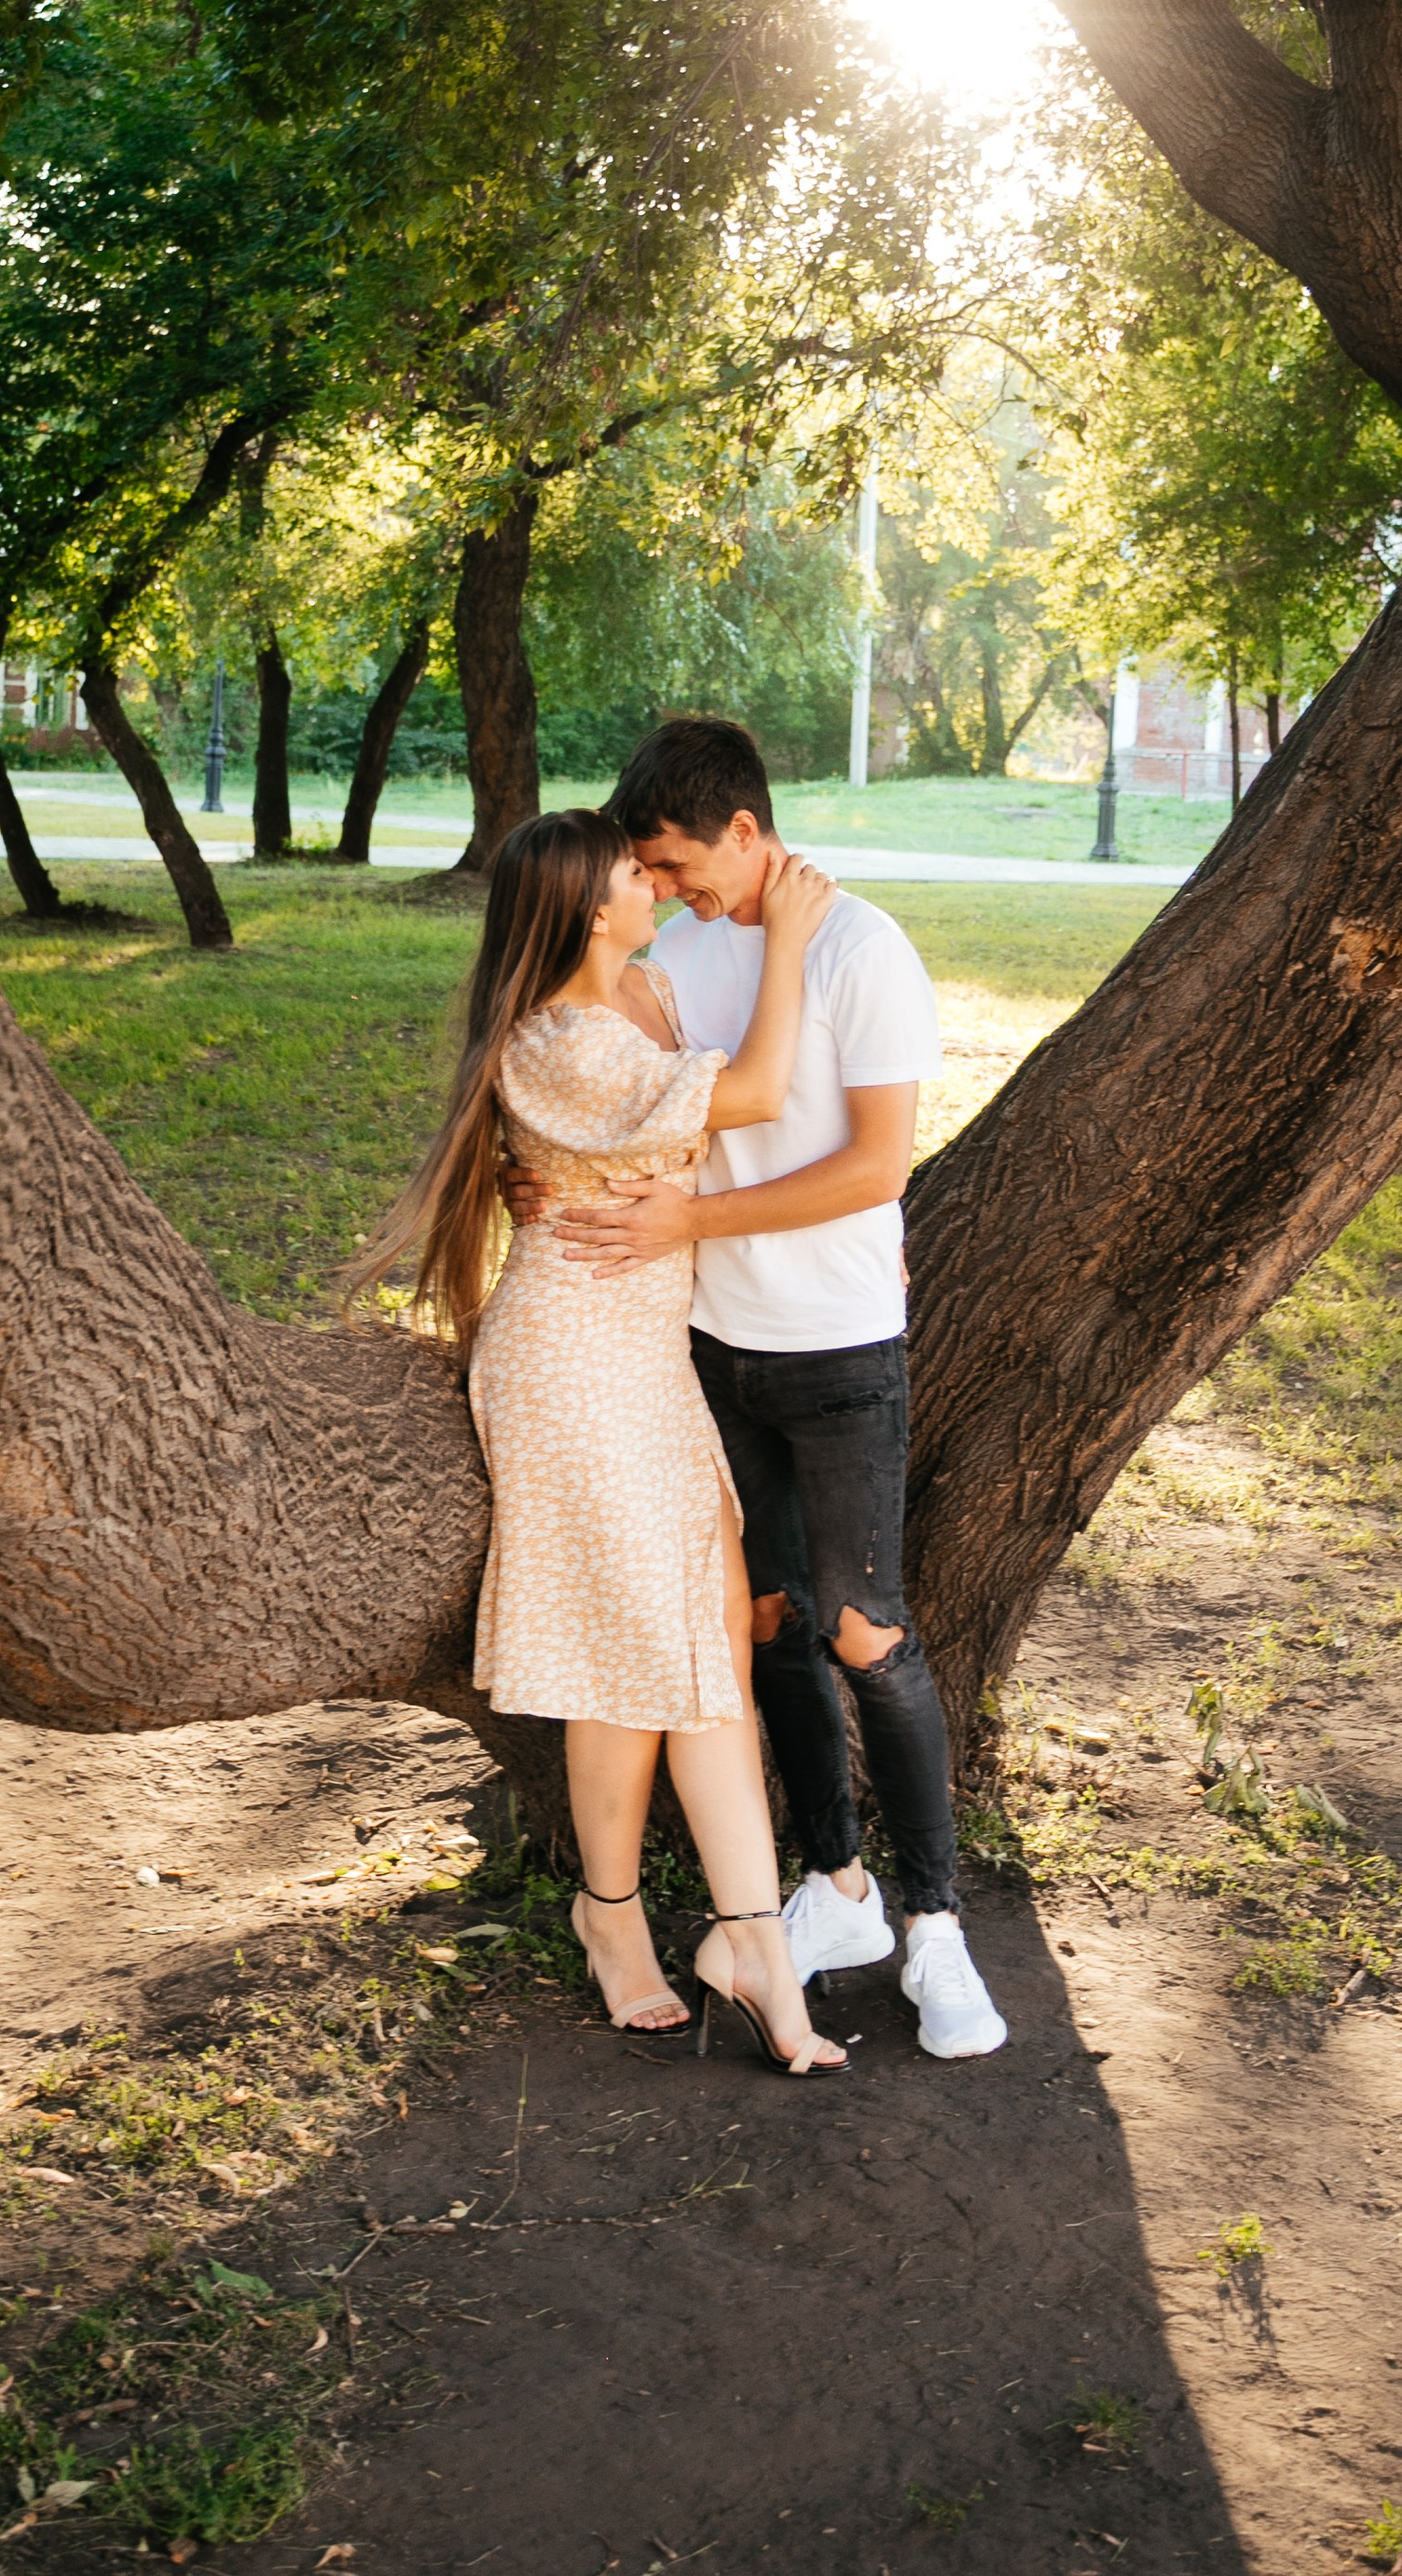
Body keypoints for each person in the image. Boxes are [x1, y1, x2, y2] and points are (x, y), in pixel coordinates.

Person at [351, 806, 846, 2076]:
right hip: (572, 1366)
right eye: (637, 873)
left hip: (642, 1361)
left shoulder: (644, 998)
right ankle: (657, 1927)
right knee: (661, 1653)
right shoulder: (562, 1039)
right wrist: (791, 937)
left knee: (686, 1647)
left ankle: (710, 1935)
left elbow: (697, 1067)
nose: (655, 883)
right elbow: (755, 1090)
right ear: (587, 909)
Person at [542, 717, 1009, 2062]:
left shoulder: (863, 950)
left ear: (745, 829)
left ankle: (934, 1929)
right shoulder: (677, 953)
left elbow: (873, 1170)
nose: (672, 888)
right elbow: (635, 1105)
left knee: (867, 1629)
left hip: (840, 1345)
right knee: (768, 1624)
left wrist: (687, 1229)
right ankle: (836, 1890)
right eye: (655, 872)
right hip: (705, 1349)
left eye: (683, 862)